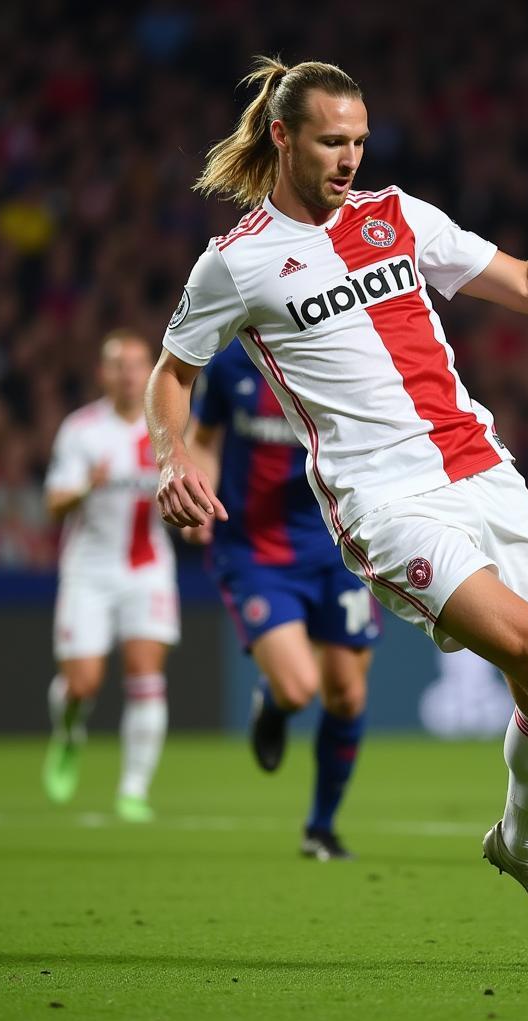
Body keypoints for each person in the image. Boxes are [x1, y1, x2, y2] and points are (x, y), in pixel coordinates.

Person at [145, 57, 528, 946]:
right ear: (282, 136)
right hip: (383, 500)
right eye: (333, 141)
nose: (348, 158)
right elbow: (172, 375)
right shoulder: (236, 263)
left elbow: (527, 284)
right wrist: (169, 457)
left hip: (483, 468)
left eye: (360, 140)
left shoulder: (400, 216)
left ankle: (522, 846)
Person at [184, 337, 379, 860]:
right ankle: (271, 706)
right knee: (297, 689)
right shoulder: (228, 365)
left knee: (347, 694)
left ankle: (320, 826)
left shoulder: (344, 353)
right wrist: (198, 486)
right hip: (254, 550)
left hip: (339, 545)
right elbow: (202, 437)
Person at [43, 331, 179, 823]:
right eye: (118, 365)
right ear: (103, 373)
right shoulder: (82, 430)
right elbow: (53, 503)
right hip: (90, 571)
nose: (127, 373)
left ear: (150, 370)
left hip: (147, 569)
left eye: (137, 364)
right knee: (82, 684)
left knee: (146, 674)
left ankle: (133, 790)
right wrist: (86, 487)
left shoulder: (164, 427)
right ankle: (68, 733)